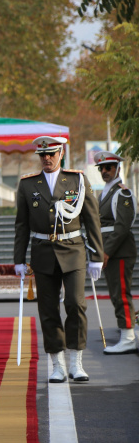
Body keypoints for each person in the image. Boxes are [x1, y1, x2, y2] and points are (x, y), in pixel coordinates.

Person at [13, 136, 104, 383]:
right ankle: (57, 364)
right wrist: (18, 259)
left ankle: (76, 361)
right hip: (42, 250)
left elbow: (91, 219)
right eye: (42, 155)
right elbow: (21, 224)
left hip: (73, 249)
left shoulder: (77, 180)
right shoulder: (28, 184)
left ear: (61, 153)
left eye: (51, 153)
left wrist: (96, 255)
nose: (47, 158)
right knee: (48, 309)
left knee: (75, 304)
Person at [94, 150, 138, 354]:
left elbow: (121, 227)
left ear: (117, 168)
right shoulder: (105, 192)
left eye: (108, 167)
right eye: (101, 168)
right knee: (115, 294)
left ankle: (128, 337)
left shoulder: (123, 192)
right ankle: (126, 333)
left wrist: (106, 252)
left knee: (120, 293)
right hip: (110, 250)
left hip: (119, 251)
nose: (104, 171)